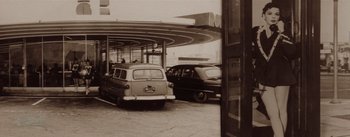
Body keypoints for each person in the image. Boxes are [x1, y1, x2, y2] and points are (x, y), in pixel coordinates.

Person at [252, 2, 297, 137]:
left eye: (277, 14)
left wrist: (282, 32)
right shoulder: (255, 31)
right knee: (272, 112)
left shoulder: (283, 33)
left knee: (281, 111)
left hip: (282, 74)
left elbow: (292, 52)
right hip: (263, 76)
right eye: (270, 13)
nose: (273, 17)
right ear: (263, 16)